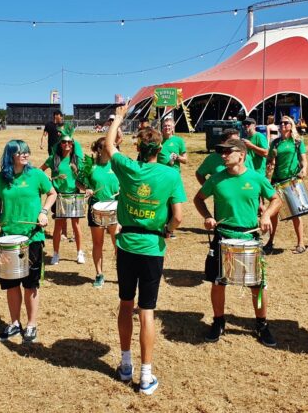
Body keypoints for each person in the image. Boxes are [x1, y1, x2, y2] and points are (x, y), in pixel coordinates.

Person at [106, 104, 186, 396]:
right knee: (147, 311)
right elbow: (177, 216)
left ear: (138, 147)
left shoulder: (128, 167)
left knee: (126, 304)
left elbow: (109, 145)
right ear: (160, 148)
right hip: (153, 247)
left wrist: (119, 117)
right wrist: (168, 231)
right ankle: (146, 374)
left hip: (126, 245)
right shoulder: (170, 175)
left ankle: (126, 364)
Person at [193, 138, 281, 345]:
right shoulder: (215, 179)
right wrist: (207, 216)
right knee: (218, 283)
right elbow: (198, 199)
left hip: (249, 237)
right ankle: (218, 321)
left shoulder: (256, 178)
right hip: (223, 236)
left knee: (257, 285)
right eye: (221, 152)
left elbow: (276, 199)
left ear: (241, 155)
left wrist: (267, 215)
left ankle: (262, 324)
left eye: (227, 152)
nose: (223, 155)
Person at [0, 140, 57, 343]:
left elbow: (52, 193)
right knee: (11, 285)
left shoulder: (36, 174)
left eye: (27, 151)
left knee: (30, 284)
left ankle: (31, 324)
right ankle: (14, 323)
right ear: (11, 155)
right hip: (8, 237)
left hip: (32, 237)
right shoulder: (1, 178)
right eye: (21, 152)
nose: (25, 155)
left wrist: (44, 212)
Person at [78, 137, 120, 288]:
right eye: (109, 146)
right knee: (98, 242)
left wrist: (122, 190)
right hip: (95, 207)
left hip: (114, 207)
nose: (112, 148)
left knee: (118, 243)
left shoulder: (117, 164)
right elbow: (79, 181)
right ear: (100, 150)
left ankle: (121, 273)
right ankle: (99, 274)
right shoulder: (91, 166)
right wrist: (86, 189)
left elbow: (128, 181)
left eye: (113, 145)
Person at [265, 115, 308, 254]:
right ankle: (270, 242)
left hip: (292, 180)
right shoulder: (275, 143)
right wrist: (270, 166)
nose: (283, 125)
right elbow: (269, 160)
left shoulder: (297, 141)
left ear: (291, 125)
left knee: (296, 213)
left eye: (286, 123)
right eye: (281, 122)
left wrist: (304, 169)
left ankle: (301, 244)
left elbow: (303, 160)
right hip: (277, 182)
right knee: (273, 213)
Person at [41, 127, 85, 265]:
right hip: (59, 196)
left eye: (70, 142)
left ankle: (80, 252)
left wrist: (77, 171)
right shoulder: (54, 159)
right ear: (60, 144)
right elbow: (39, 171)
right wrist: (49, 180)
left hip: (74, 195)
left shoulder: (77, 159)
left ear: (73, 144)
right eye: (64, 142)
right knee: (58, 226)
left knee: (76, 225)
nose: (67, 145)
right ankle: (55, 254)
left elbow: (83, 178)